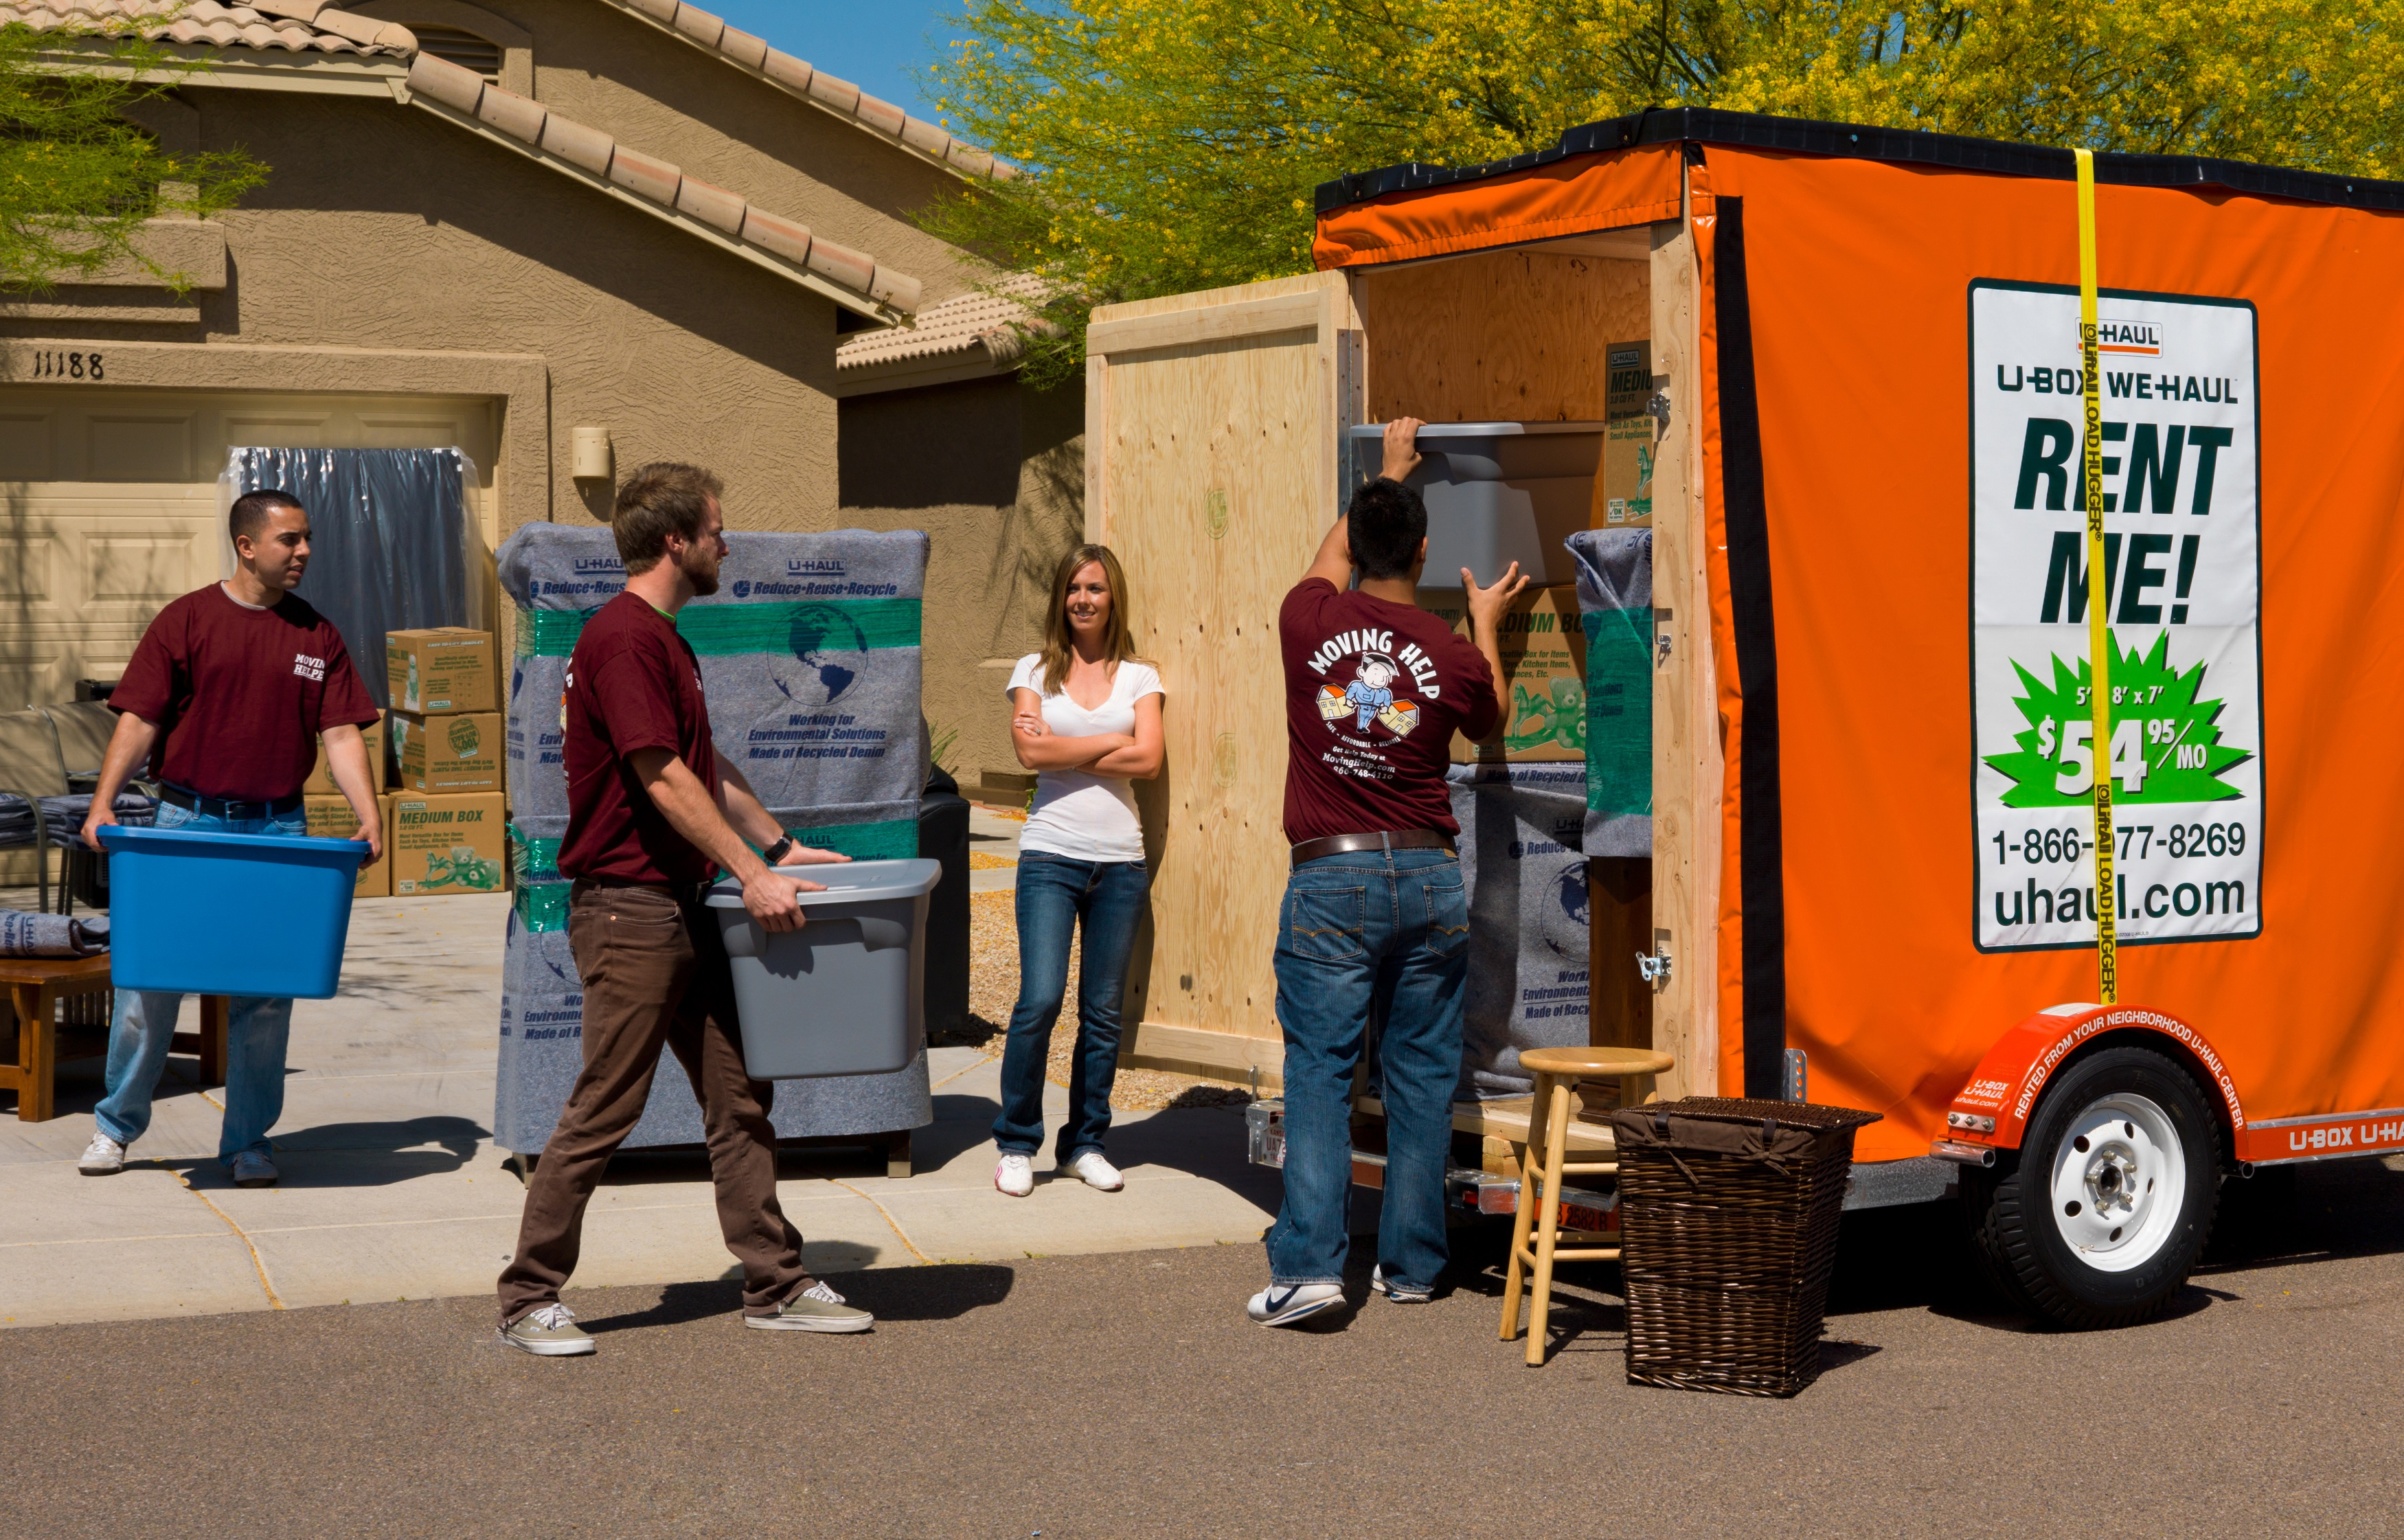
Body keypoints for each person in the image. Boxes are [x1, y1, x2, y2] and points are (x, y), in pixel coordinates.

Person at [494, 462, 870, 1357]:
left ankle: (774, 1282)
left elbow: (708, 768)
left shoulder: (664, 637)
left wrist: (777, 846)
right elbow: (659, 774)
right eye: (715, 528)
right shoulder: (624, 639)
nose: (725, 543)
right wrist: (753, 872)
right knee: (606, 1104)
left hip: (681, 903)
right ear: (676, 540)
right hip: (630, 912)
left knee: (739, 1095)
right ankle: (527, 1295)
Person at [1249, 417, 1524, 1327]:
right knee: (1418, 1073)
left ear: (1355, 545)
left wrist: (1382, 472)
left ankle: (1311, 1269)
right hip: (1432, 875)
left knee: (1323, 1070)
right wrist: (1484, 623)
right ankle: (1410, 1266)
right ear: (1425, 549)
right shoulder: (1448, 654)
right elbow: (1493, 724)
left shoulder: (1308, 618)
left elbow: (1330, 555)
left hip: (1333, 879)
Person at [74, 490, 385, 1189]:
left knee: (267, 994)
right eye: (289, 540)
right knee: (150, 984)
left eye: (307, 539)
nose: (303, 551)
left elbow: (338, 733)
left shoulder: (317, 636)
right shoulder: (187, 620)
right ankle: (115, 1126)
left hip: (279, 826)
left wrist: (368, 813)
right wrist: (101, 806)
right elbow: (140, 720)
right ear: (247, 545)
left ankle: (248, 1141)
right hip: (186, 824)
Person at [991, 545, 1164, 1197]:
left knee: (1103, 1014)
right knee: (1039, 999)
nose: (1083, 599)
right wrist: (1109, 742)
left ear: (1112, 596)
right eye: (1072, 589)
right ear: (1060, 598)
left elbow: (1148, 762)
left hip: (1120, 862)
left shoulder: (1142, 678)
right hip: (1050, 856)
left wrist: (1065, 749)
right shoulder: (1034, 668)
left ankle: (1085, 1144)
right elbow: (1029, 751)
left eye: (1095, 588)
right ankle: (1016, 1142)